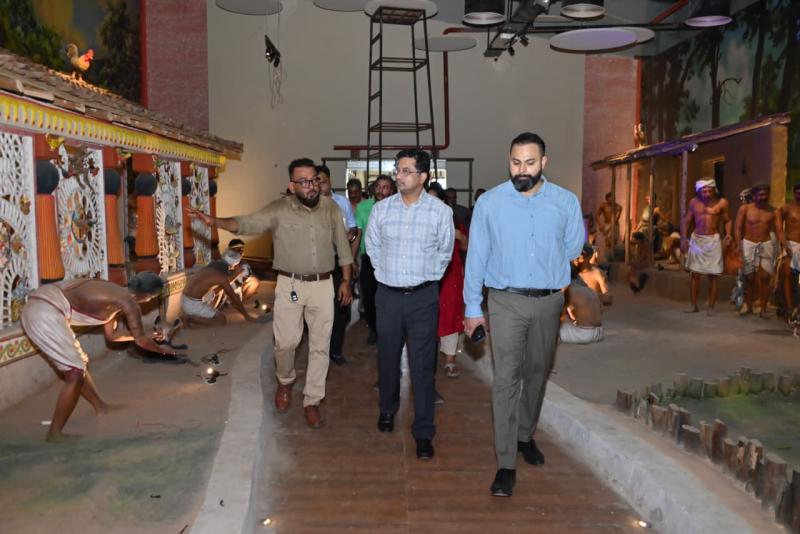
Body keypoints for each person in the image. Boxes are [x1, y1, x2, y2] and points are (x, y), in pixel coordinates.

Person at [190, 158, 353, 429]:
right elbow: (246, 223)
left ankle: (312, 400)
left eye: (314, 180)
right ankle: (285, 382)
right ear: (292, 186)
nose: (311, 186)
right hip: (290, 285)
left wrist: (346, 279)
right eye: (304, 182)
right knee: (286, 343)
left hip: (323, 285)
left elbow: (343, 248)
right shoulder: (279, 209)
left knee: (320, 345)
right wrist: (214, 221)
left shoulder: (331, 209)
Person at [464, 132, 583, 497]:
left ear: (543, 162)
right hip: (506, 301)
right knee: (506, 379)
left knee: (537, 372)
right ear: (509, 160)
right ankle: (505, 463)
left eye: (530, 163)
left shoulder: (565, 202)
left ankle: (524, 435)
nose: (522, 170)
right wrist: (472, 308)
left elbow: (573, 247)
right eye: (516, 162)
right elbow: (476, 257)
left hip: (548, 302)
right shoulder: (491, 203)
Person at [366, 148, 453, 460]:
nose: (398, 176)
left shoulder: (440, 212)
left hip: (423, 298)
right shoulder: (381, 210)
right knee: (387, 357)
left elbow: (445, 252)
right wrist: (387, 275)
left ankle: (424, 430)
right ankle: (387, 410)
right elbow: (372, 246)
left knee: (422, 364)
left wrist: (426, 280)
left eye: (405, 171)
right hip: (388, 296)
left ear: (423, 176)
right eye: (397, 170)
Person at [20, 273, 173, 441]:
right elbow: (141, 341)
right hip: (45, 312)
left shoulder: (116, 293)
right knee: (75, 373)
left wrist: (147, 336)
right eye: (152, 298)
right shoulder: (128, 302)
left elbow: (113, 336)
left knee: (79, 365)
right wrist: (162, 350)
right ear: (147, 296)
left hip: (40, 308)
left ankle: (100, 407)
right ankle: (54, 433)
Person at [318, 165, 360, 366]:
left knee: (341, 307)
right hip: (316, 263)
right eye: (316, 181)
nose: (319, 185)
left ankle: (335, 350)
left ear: (330, 181)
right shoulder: (308, 203)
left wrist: (347, 239)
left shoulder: (342, 202)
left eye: (323, 181)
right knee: (317, 308)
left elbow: (353, 228)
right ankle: (319, 348)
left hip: (338, 261)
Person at [428, 182, 468, 378]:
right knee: (427, 314)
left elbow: (465, 247)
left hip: (450, 273)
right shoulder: (417, 220)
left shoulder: (453, 221)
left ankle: (450, 359)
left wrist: (459, 236)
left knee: (450, 313)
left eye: (435, 199)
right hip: (426, 274)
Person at [680, 178, 732, 315]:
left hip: (713, 240)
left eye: (710, 190)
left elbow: (728, 220)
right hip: (697, 240)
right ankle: (693, 305)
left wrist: (728, 235)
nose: (707, 193)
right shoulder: (693, 202)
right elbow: (686, 221)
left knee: (713, 275)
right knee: (695, 274)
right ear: (699, 191)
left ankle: (711, 307)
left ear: (714, 190)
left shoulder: (722, 203)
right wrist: (684, 237)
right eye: (704, 191)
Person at [356, 174, 393, 346]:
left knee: (387, 298)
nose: (380, 190)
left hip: (390, 260)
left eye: (385, 187)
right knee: (369, 298)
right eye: (378, 186)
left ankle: (387, 330)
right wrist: (352, 259)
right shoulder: (363, 207)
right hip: (368, 259)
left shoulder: (397, 207)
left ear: (391, 190)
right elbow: (358, 234)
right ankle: (373, 328)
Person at [181, 250, 261, 326]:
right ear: (233, 264)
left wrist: (236, 273)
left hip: (186, 298)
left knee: (219, 290)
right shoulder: (221, 277)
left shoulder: (214, 265)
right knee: (221, 320)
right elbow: (234, 297)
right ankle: (189, 319)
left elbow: (224, 281)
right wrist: (246, 315)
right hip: (192, 304)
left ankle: (198, 314)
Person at [734, 183, 778, 318]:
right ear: (754, 196)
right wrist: (738, 245)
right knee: (749, 277)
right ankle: (748, 306)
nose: (764, 197)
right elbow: (738, 228)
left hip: (766, 243)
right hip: (749, 243)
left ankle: (763, 309)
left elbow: (779, 230)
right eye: (761, 194)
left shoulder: (773, 211)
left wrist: (783, 244)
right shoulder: (745, 209)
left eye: (766, 194)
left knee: (765, 277)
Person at [560, 267, 604, 344]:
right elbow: (601, 309)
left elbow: (561, 317)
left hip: (584, 334)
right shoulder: (590, 290)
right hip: (599, 332)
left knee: (550, 328)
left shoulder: (569, 292)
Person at [777, 183, 800, 312]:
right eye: (798, 192)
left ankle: (796, 306)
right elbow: (780, 229)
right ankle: (789, 306)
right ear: (794, 192)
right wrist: (785, 244)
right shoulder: (786, 208)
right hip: (791, 243)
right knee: (787, 274)